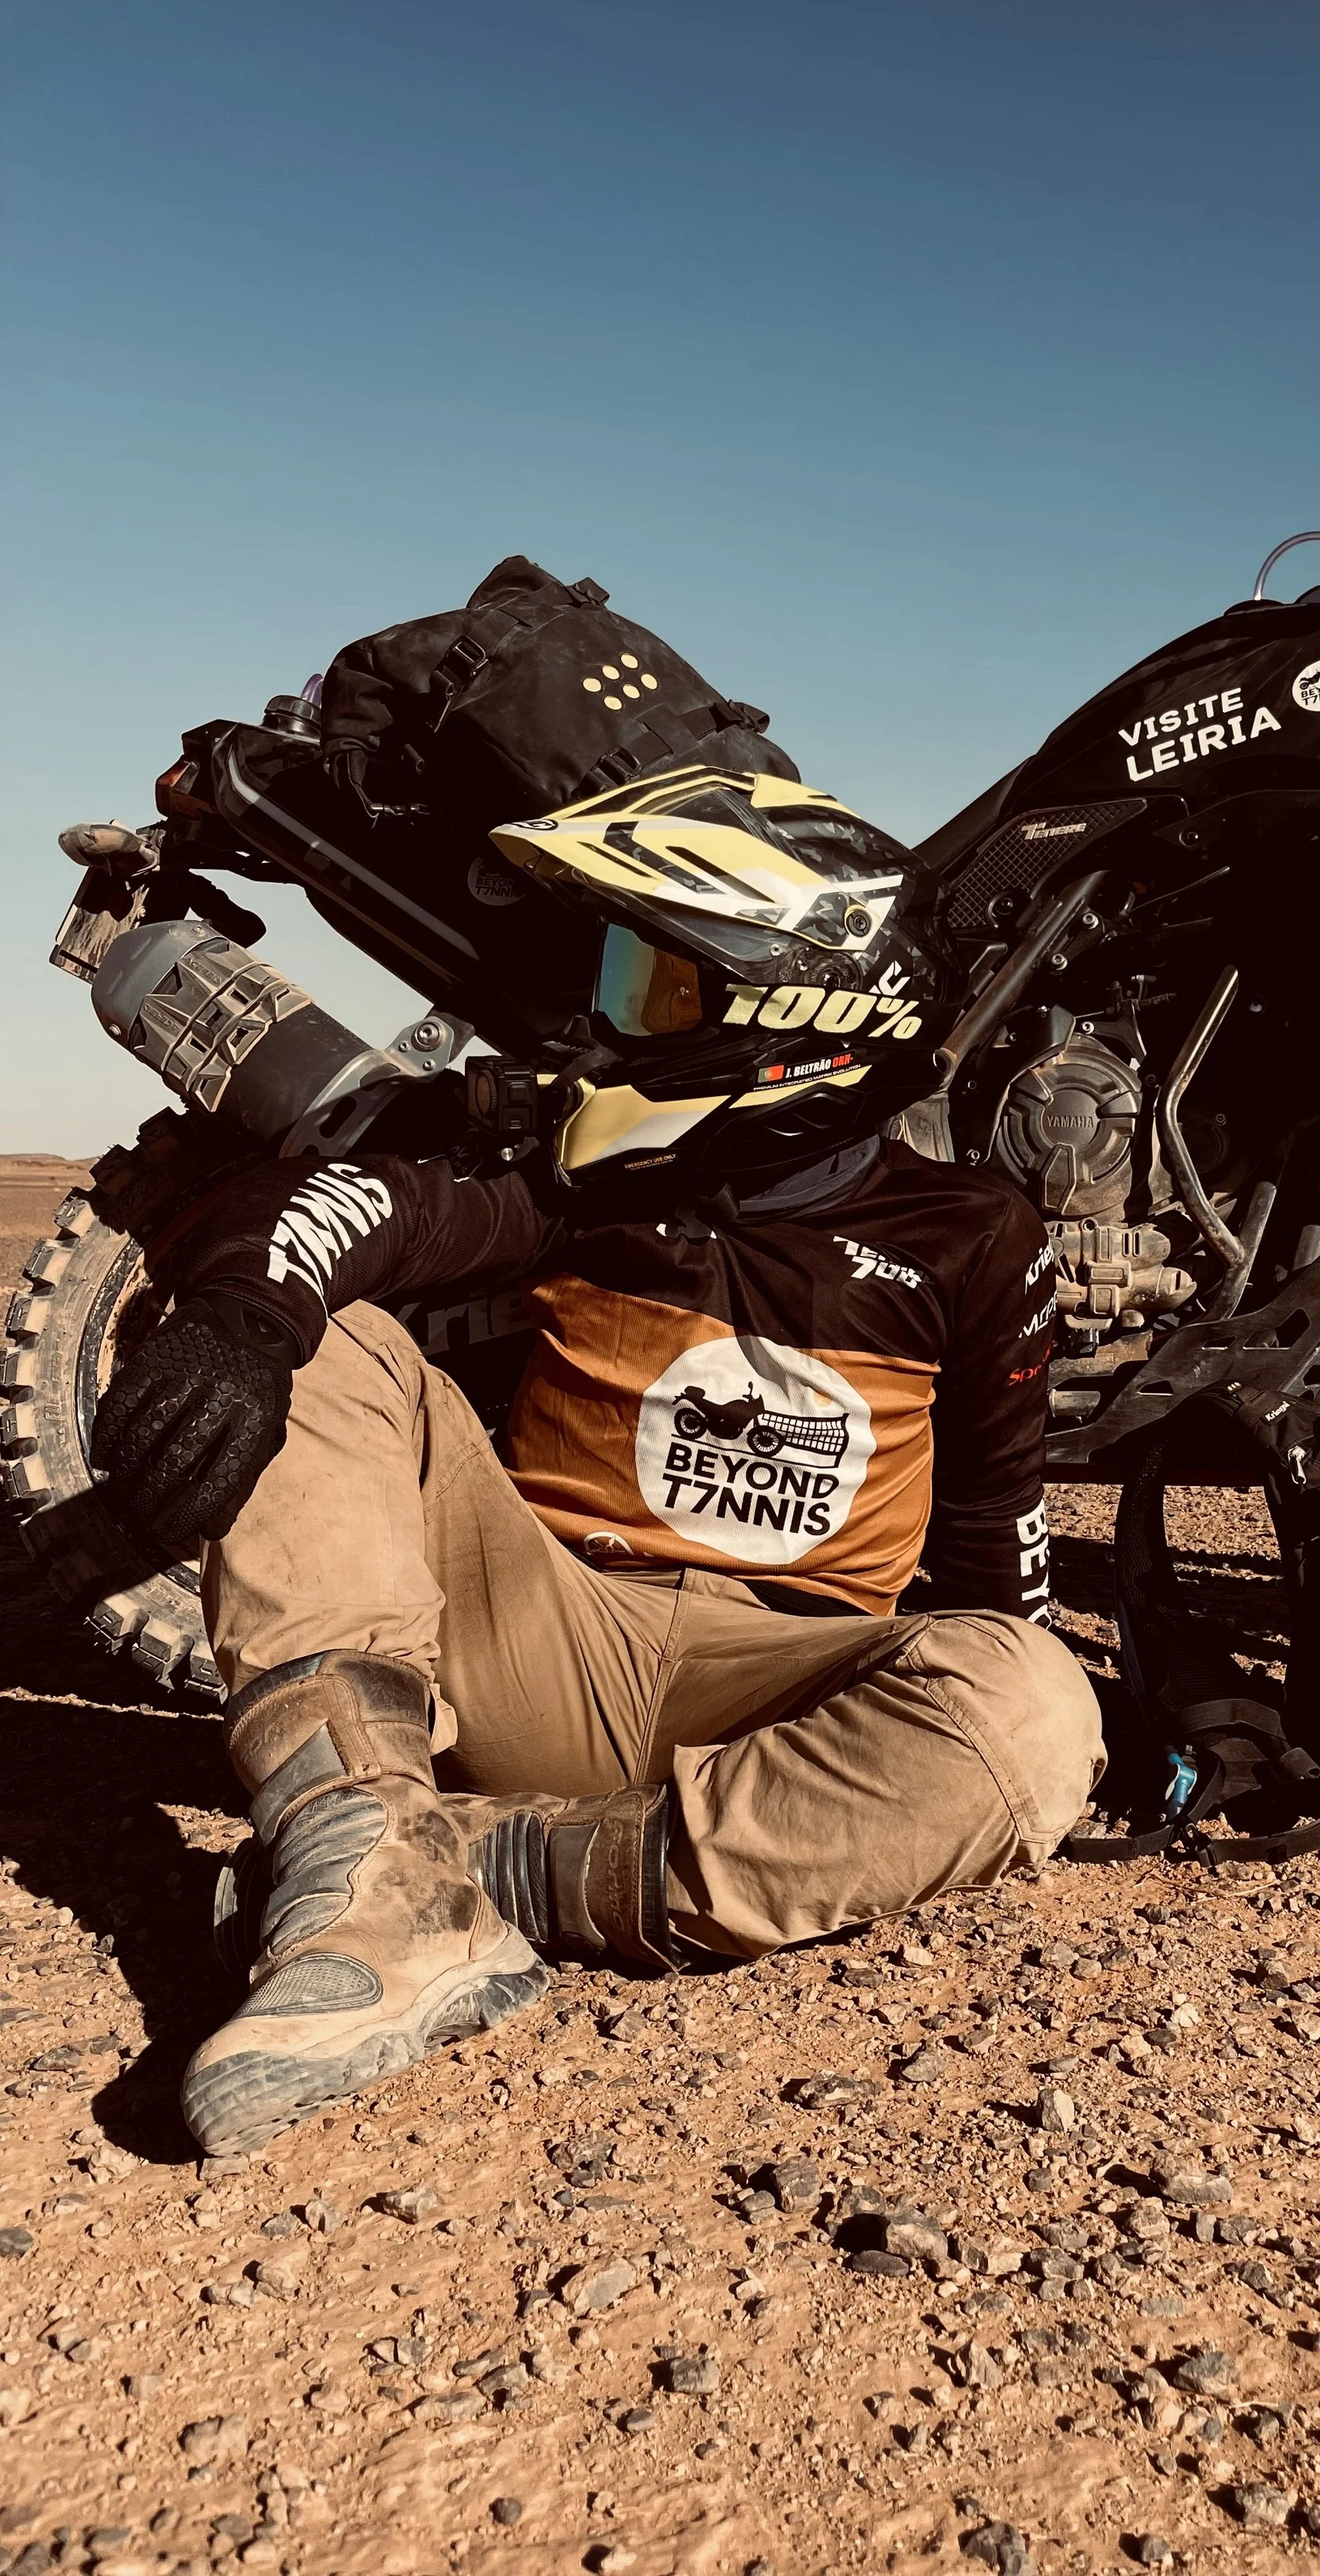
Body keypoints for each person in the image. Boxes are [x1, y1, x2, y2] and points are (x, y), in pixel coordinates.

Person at [92, 766, 1105, 2156]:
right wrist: (237, 1316)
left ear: (798, 1017)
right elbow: (350, 1209)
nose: (610, 1021)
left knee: (1032, 1705)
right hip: (536, 1627)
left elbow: (999, 1531)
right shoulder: (579, 1173)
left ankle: (474, 1868)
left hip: (780, 1683)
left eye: (659, 987)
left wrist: (1055, 1714)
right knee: (326, 1347)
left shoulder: (974, 1236)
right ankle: (358, 1854)